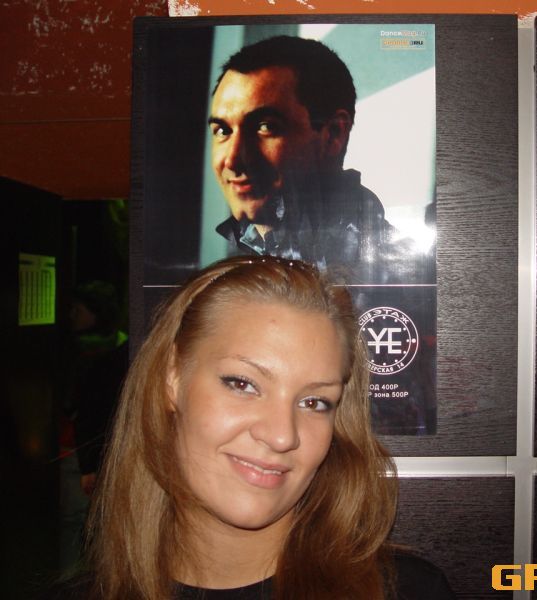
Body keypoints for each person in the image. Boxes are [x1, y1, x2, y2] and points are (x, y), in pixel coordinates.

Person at [45, 255, 454, 599]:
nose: (282, 435)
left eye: (314, 402)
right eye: (243, 384)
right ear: (173, 378)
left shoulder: (406, 592)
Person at [208, 36, 416, 284]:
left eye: (266, 126)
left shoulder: (395, 277)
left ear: (333, 134)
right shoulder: (231, 268)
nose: (232, 160)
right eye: (223, 130)